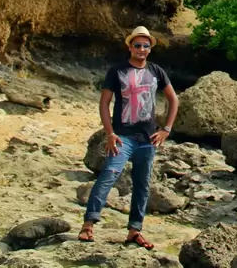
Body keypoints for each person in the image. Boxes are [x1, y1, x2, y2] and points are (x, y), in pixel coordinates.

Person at [77, 26, 179, 248]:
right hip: (122, 137)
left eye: (145, 46)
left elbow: (173, 99)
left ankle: (135, 230)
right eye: (137, 45)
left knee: (142, 184)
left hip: (147, 139)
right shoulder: (117, 71)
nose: (141, 49)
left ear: (150, 49)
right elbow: (104, 103)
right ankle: (88, 224)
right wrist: (110, 133)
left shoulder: (156, 71)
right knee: (108, 175)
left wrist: (166, 129)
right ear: (130, 47)